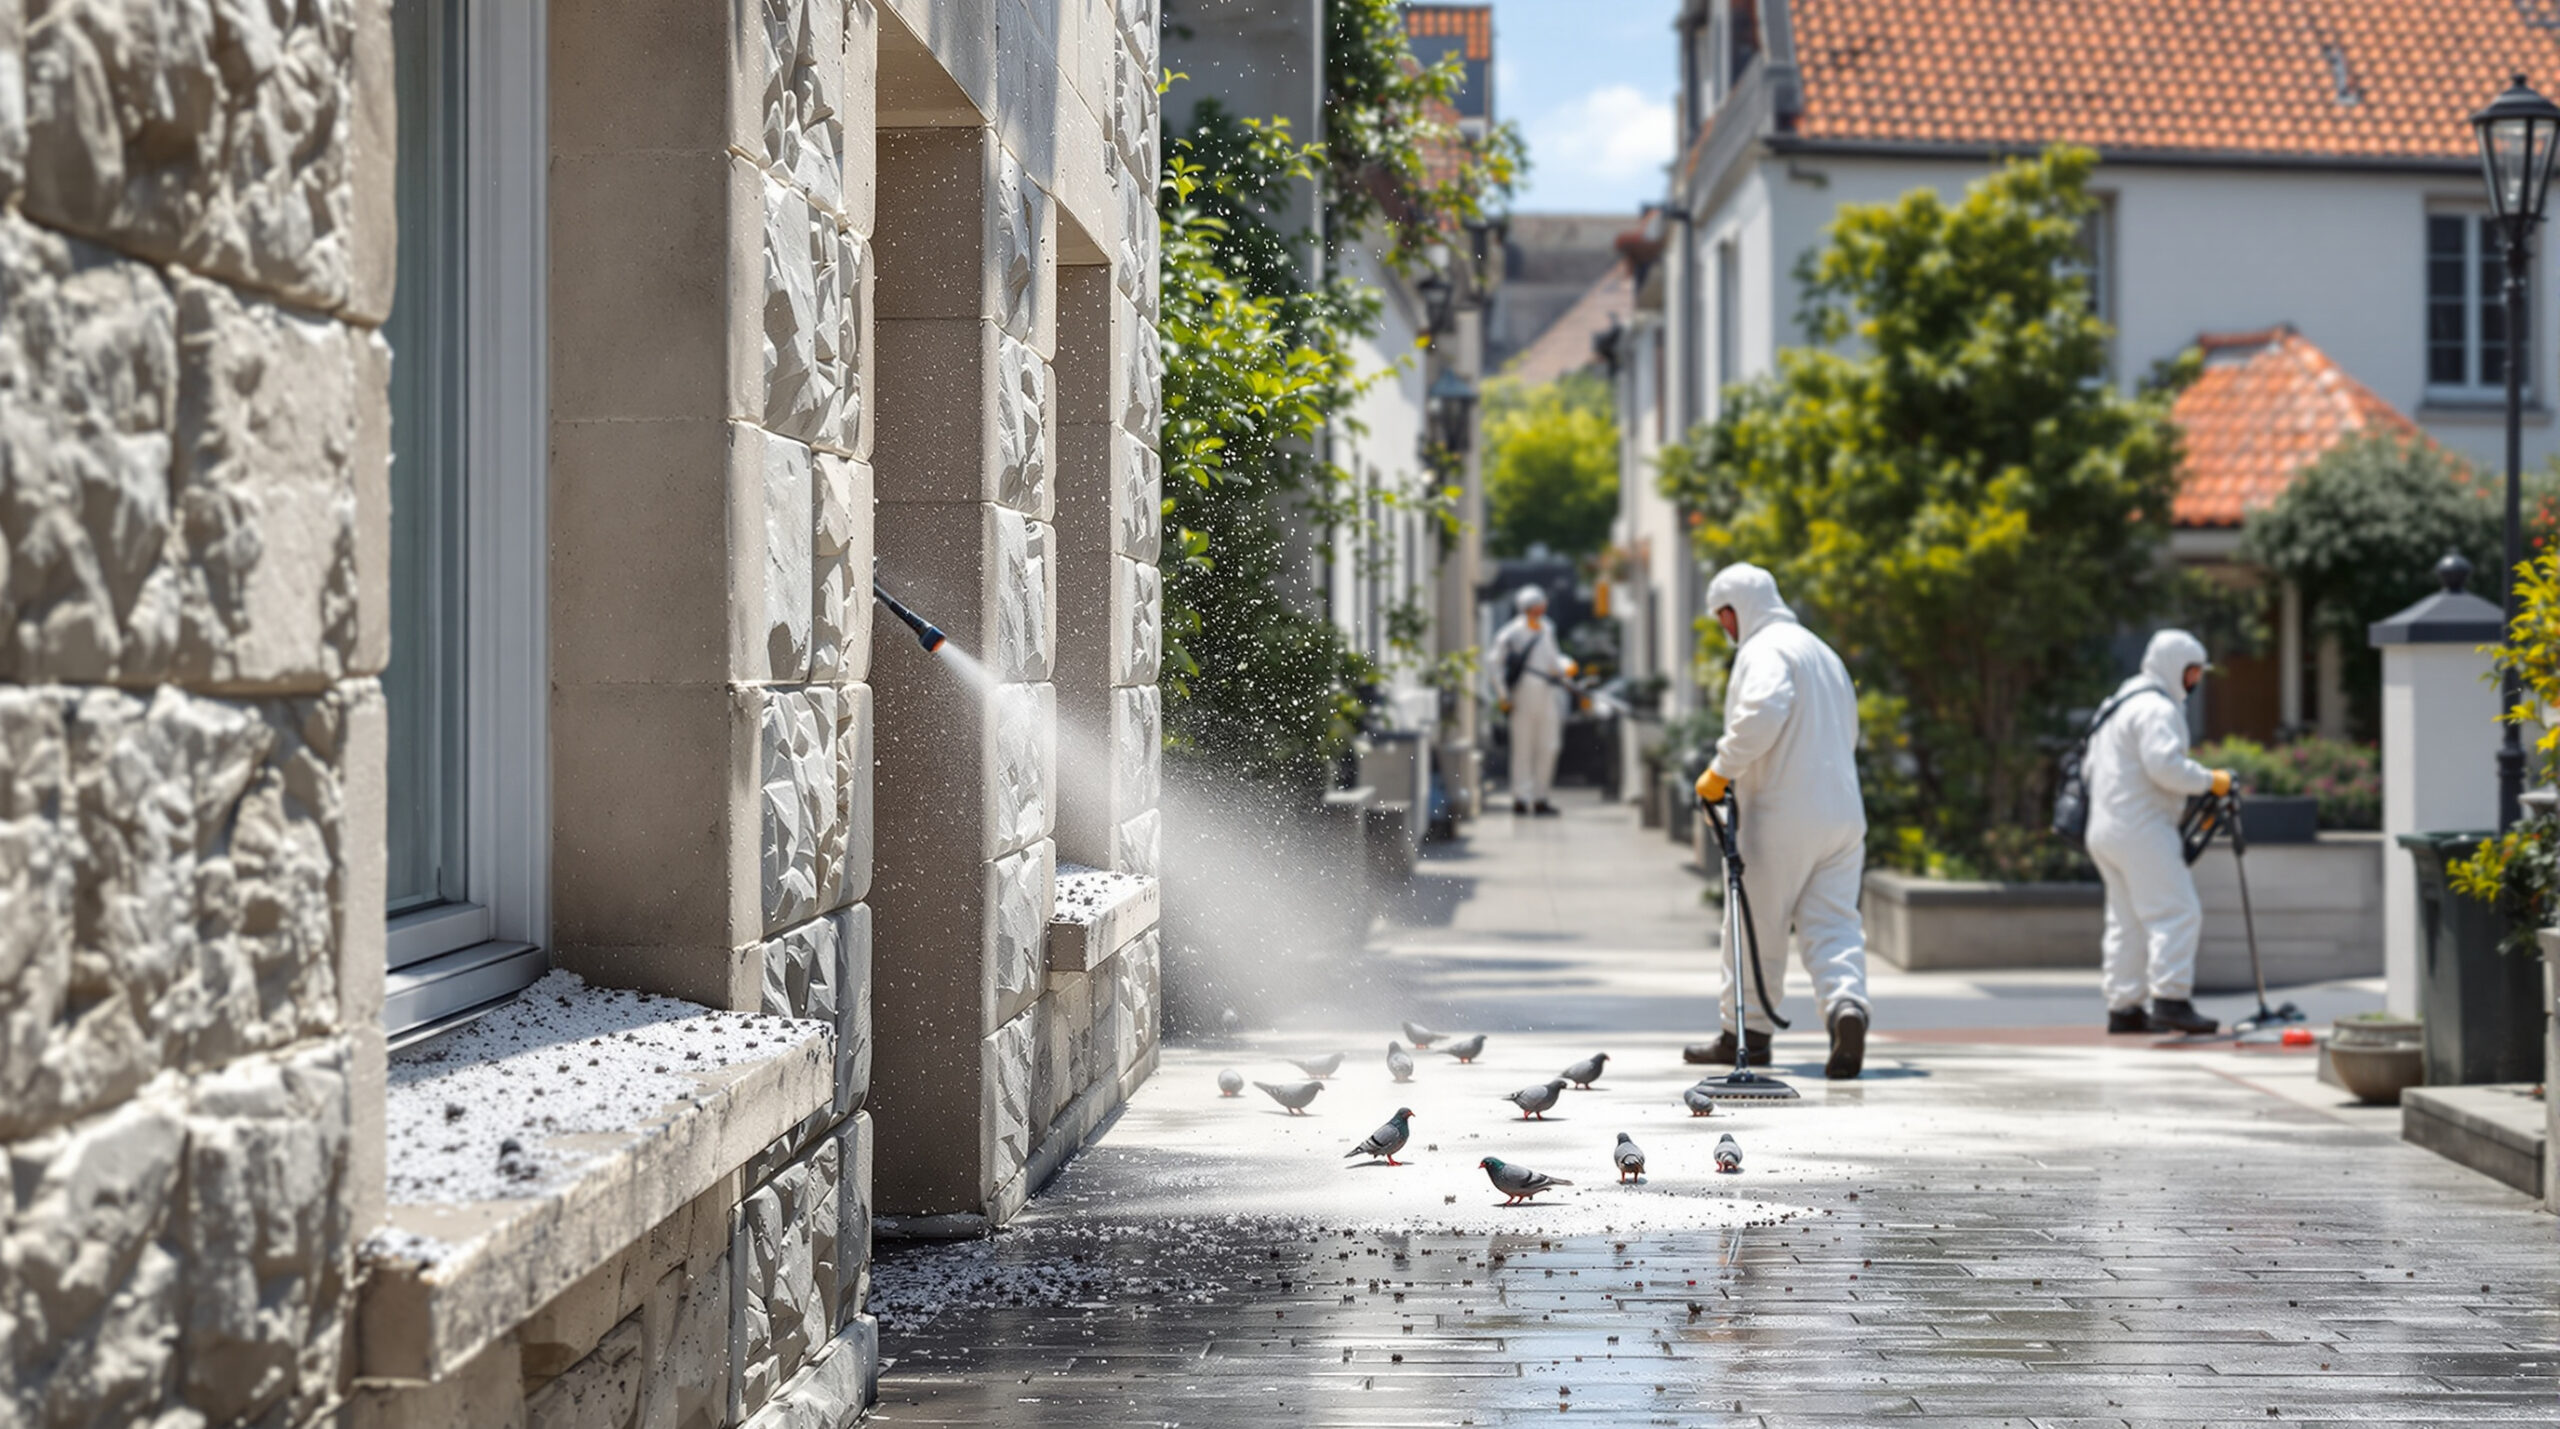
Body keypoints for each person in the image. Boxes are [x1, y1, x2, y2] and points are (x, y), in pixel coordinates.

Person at [1686, 563, 1872, 1079]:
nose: (1725, 630)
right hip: (1843, 814)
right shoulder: (1822, 652)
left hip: (1781, 813)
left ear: (1734, 609)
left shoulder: (1764, 650)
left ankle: (1744, 1036)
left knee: (1754, 924)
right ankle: (1846, 1008)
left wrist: (1721, 771)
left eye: (1723, 619)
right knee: (1834, 923)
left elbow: (1765, 710)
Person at [2083, 629, 2232, 1036]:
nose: (2195, 682)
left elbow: (2088, 770)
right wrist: (2210, 780)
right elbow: (2164, 767)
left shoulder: (2116, 703)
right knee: (2177, 912)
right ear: (2176, 667)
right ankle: (2171, 1001)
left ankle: (2125, 1009)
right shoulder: (2156, 709)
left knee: (2126, 921)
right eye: (2193, 673)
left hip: (2103, 828)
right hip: (2142, 826)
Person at [1490, 585, 1575, 816]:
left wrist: (1565, 671)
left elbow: (1553, 660)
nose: (1540, 608)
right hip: (1522, 693)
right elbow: (1495, 664)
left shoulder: (1547, 628)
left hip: (1547, 692)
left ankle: (1540, 796)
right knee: (1523, 747)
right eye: (1536, 605)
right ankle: (1521, 797)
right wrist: (1503, 695)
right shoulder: (1511, 632)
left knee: (1549, 745)